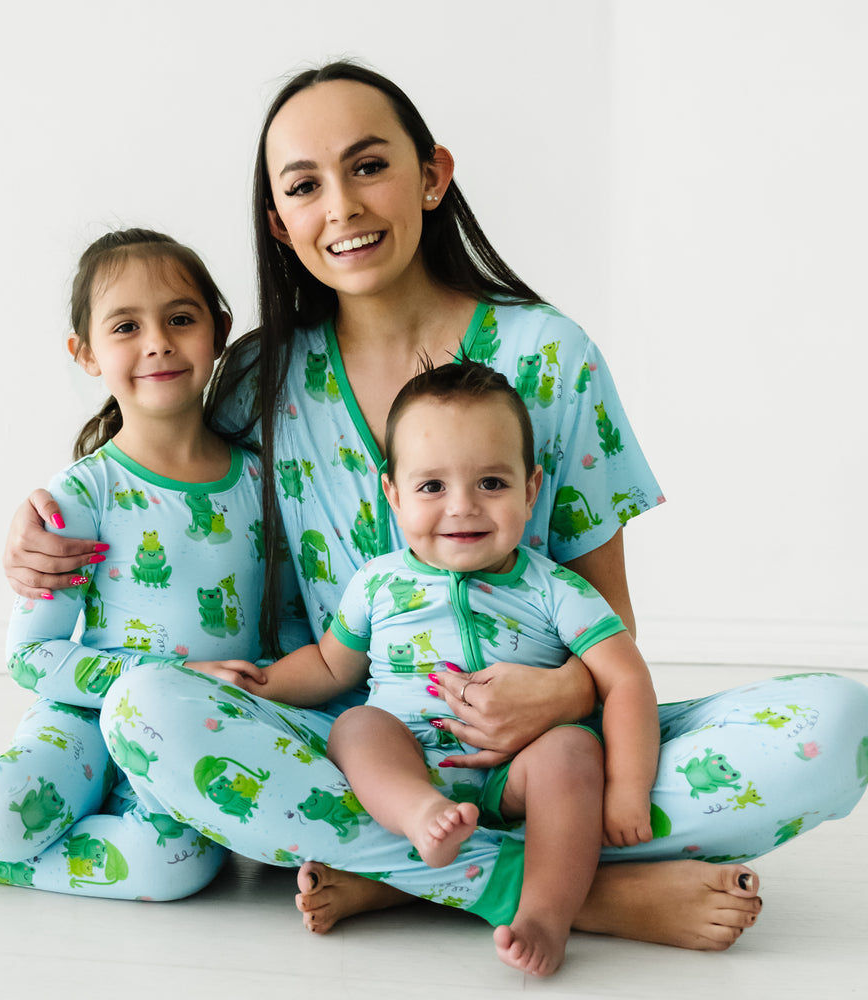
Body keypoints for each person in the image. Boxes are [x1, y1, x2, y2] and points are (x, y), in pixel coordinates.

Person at [2, 61, 868, 950]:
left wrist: (559, 694)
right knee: (147, 709)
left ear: (432, 175)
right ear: (280, 222)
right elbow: (159, 462)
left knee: (836, 728)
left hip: (546, 751)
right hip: (357, 749)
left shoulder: (551, 355)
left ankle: (396, 875)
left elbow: (610, 618)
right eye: (305, 186)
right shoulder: (259, 379)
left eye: (369, 165)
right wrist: (48, 529)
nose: (341, 206)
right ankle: (567, 894)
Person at [0, 228, 293, 898]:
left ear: (220, 329)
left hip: (190, 728)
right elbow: (32, 656)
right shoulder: (79, 497)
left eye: (181, 318)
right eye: (127, 325)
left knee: (180, 866)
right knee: (5, 809)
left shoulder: (265, 486)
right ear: (86, 353)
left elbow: (287, 625)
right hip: (84, 714)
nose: (157, 341)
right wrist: (165, 674)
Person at [207, 359, 660, 976]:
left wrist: (629, 792)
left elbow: (625, 677)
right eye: (431, 487)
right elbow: (329, 665)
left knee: (574, 754)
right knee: (356, 727)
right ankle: (420, 815)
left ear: (531, 491)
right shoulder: (379, 583)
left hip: (518, 772)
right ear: (392, 493)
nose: (463, 508)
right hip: (408, 758)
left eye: (493, 485)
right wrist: (261, 680)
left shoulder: (554, 588)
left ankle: (544, 916)